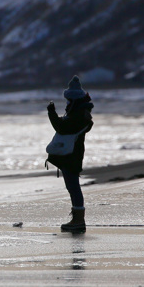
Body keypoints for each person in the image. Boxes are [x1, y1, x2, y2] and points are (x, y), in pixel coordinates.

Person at [46, 75, 94, 233]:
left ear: (73, 100)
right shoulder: (79, 114)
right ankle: (77, 219)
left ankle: (78, 220)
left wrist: (51, 113)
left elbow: (61, 128)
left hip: (72, 155)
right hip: (73, 154)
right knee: (72, 187)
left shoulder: (79, 116)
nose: (66, 104)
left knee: (73, 187)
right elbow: (65, 127)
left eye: (68, 101)